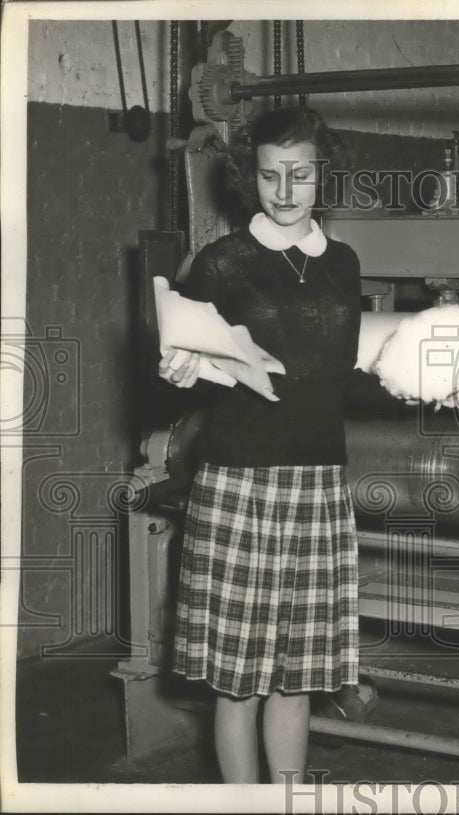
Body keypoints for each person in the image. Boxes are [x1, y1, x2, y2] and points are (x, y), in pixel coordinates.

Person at [159, 106, 362, 784]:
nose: (285, 189)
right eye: (272, 175)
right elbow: (182, 355)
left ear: (320, 175)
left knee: (296, 678)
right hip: (239, 484)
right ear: (252, 178)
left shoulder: (342, 262)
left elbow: (335, 367)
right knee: (238, 682)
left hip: (319, 484)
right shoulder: (221, 262)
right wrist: (181, 365)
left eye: (300, 174)